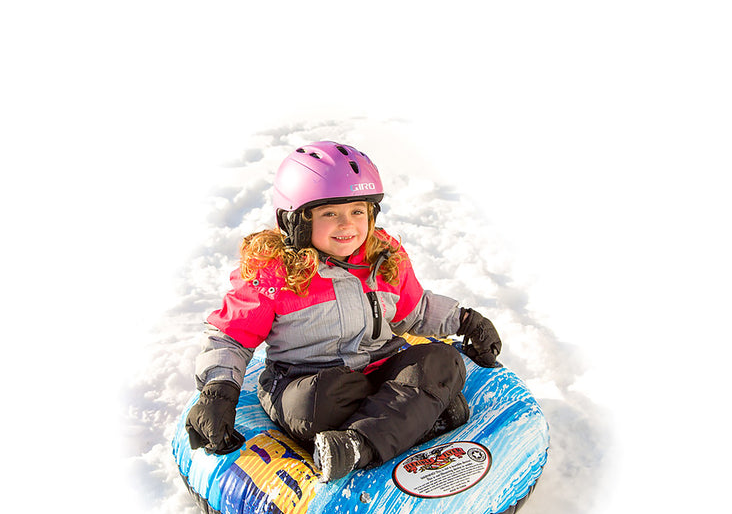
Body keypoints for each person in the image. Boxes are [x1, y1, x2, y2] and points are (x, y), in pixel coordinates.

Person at [186, 141, 501, 481]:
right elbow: (232, 336)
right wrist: (218, 392)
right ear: (295, 221)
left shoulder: (383, 257)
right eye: (329, 214)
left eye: (357, 212)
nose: (347, 224)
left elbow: (415, 309)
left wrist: (466, 321)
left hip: (381, 372)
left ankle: (356, 446)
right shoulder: (273, 272)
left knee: (441, 362)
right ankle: (423, 417)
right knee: (313, 407)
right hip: (310, 381)